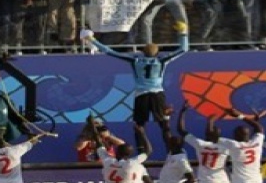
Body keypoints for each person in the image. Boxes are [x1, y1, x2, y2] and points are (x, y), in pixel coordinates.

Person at [81, 22, 189, 150]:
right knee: (163, 123)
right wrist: (183, 33)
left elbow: (109, 51)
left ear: (143, 52)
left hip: (141, 95)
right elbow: (184, 49)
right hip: (157, 93)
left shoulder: (135, 60)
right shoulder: (161, 61)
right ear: (157, 53)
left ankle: (141, 150)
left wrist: (92, 40)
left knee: (139, 124)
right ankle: (171, 150)